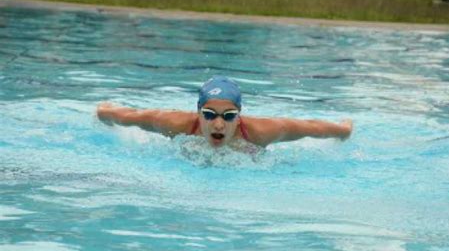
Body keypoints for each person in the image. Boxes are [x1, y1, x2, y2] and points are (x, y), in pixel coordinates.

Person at [97, 76, 353, 148]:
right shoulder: (173, 123)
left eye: (229, 115)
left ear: (239, 115)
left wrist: (342, 130)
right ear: (198, 113)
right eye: (209, 114)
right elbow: (132, 116)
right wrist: (105, 112)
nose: (218, 124)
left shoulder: (261, 132)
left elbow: (309, 127)